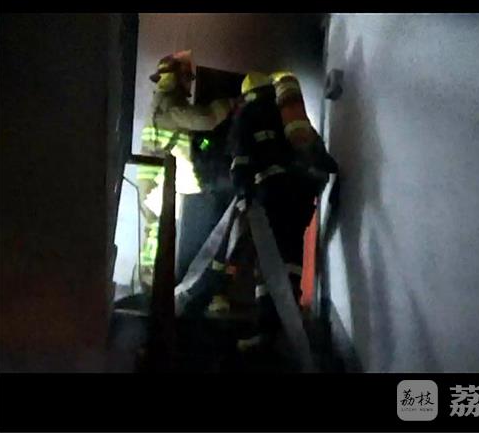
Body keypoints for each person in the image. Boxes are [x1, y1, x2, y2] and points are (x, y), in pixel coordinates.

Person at [229, 71, 337, 351]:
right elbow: (321, 156)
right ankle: (291, 323)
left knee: (268, 261)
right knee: (291, 257)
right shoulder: (287, 110)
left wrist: (243, 193)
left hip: (273, 194)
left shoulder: (248, 112)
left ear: (248, 93)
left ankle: (268, 331)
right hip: (301, 196)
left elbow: (241, 158)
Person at [136, 51, 238, 295]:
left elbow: (189, 139)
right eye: (187, 78)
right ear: (177, 77)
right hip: (158, 179)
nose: (190, 83)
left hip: (159, 177)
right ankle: (151, 287)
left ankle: (156, 286)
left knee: (159, 230)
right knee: (157, 232)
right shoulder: (170, 103)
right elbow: (206, 119)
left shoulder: (164, 102)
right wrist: (231, 103)